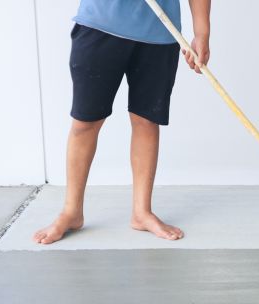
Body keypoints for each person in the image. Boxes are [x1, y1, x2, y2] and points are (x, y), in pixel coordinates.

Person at [34, 0, 211, 244]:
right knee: (85, 123)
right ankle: (71, 212)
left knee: (147, 121)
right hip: (101, 26)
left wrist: (202, 32)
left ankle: (142, 212)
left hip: (160, 34)